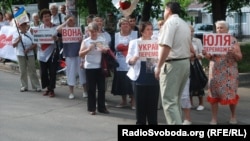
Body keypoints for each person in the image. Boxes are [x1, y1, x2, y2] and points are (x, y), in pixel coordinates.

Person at [154, 2, 191, 125]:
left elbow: (166, 46)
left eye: (164, 10)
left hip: (173, 64)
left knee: (169, 101)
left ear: (168, 10)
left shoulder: (169, 23)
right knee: (175, 100)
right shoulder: (184, 23)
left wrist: (158, 66)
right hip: (184, 62)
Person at [202, 20, 242, 125]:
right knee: (214, 95)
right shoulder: (212, 40)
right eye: (218, 28)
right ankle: (214, 119)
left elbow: (239, 57)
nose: (219, 30)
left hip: (230, 73)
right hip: (215, 72)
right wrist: (205, 53)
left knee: (231, 95)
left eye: (221, 28)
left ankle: (233, 116)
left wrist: (234, 52)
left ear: (227, 29)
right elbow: (209, 57)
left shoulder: (233, 40)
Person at [126, 21, 160, 125]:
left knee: (152, 107)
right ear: (142, 31)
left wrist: (157, 64)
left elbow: (159, 59)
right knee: (140, 107)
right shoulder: (134, 42)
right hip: (139, 77)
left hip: (152, 77)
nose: (150, 32)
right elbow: (128, 59)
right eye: (148, 30)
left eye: (151, 29)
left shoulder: (156, 42)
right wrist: (135, 58)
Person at [79, 22, 110, 115]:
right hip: (90, 67)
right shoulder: (86, 41)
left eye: (95, 31)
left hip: (100, 67)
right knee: (91, 88)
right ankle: (92, 108)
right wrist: (88, 49)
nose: (93, 33)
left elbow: (107, 51)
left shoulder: (102, 39)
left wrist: (104, 50)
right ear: (88, 31)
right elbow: (80, 54)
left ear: (98, 31)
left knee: (101, 88)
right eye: (91, 31)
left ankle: (102, 108)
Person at [56, 15, 87, 99]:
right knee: (70, 73)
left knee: (82, 72)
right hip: (69, 54)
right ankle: (71, 92)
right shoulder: (64, 30)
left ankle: (85, 91)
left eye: (72, 20)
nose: (71, 22)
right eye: (70, 20)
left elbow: (84, 39)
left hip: (79, 53)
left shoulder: (78, 29)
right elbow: (57, 29)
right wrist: (66, 22)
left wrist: (81, 40)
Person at [111, 17, 137, 110]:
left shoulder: (135, 35)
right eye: (123, 24)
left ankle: (133, 102)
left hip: (132, 63)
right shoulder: (116, 36)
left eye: (127, 24)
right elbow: (112, 49)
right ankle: (124, 101)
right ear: (120, 26)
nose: (125, 25)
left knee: (132, 83)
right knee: (122, 82)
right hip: (120, 63)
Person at [12, 22, 41, 92]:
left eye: (23, 25)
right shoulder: (16, 34)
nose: (22, 26)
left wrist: (29, 49)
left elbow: (35, 44)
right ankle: (24, 86)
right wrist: (18, 40)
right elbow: (13, 45)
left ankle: (36, 86)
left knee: (32, 70)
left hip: (30, 54)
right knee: (22, 71)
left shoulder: (30, 34)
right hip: (20, 54)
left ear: (26, 26)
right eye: (21, 25)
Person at [38, 9, 60, 97]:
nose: (46, 18)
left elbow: (61, 38)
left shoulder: (56, 27)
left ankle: (51, 89)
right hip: (42, 52)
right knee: (43, 72)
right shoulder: (39, 28)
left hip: (52, 52)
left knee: (52, 71)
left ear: (51, 17)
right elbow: (34, 38)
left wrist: (57, 39)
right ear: (42, 19)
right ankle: (47, 87)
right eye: (44, 16)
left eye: (48, 16)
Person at [189, 25, 205, 111]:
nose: (190, 33)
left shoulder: (197, 41)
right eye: (188, 31)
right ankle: (190, 103)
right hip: (187, 65)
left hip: (196, 66)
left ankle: (201, 103)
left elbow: (202, 53)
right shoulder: (183, 41)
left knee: (198, 84)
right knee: (189, 85)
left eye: (192, 31)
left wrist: (197, 56)